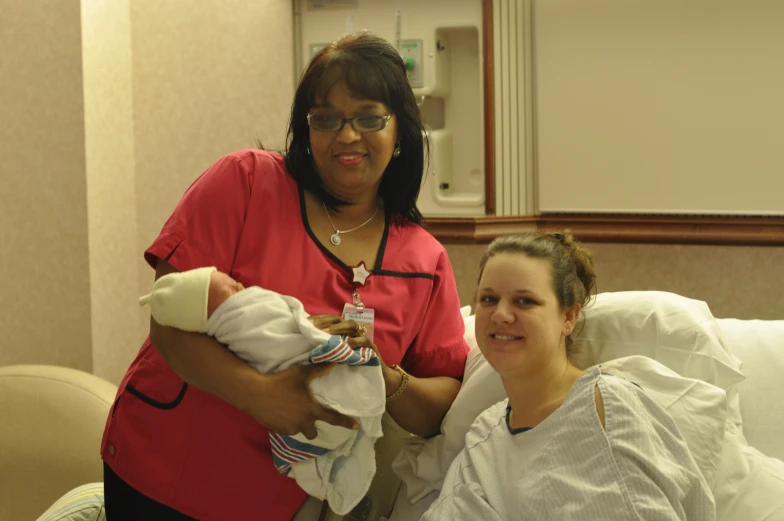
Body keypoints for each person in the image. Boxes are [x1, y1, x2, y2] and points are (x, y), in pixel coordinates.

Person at [101, 32, 470, 521]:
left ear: (400, 130)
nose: (347, 134)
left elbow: (440, 401)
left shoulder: (424, 261)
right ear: (306, 127)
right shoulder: (247, 183)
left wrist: (384, 376)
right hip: (166, 471)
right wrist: (262, 397)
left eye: (368, 117)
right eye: (326, 119)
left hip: (282, 502)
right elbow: (168, 318)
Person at [420, 231, 715, 521]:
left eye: (524, 301)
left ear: (568, 318)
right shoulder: (484, 436)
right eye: (489, 298)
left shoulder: (607, 407)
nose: (501, 314)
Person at [138, 266, 387, 514]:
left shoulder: (419, 261)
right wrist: (263, 394)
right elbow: (167, 332)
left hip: (272, 502)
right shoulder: (235, 315)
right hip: (171, 475)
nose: (238, 286)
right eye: (228, 287)